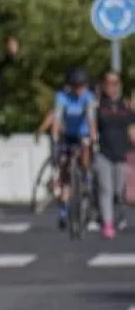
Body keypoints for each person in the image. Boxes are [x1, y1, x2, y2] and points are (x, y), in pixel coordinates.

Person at [51, 68, 98, 230]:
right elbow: (57, 117)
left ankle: (85, 175)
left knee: (85, 147)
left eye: (82, 86)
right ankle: (63, 210)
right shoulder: (62, 97)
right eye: (76, 86)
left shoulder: (88, 97)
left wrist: (93, 135)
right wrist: (55, 136)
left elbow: (91, 117)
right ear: (70, 86)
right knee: (64, 166)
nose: (79, 89)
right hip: (68, 134)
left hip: (83, 134)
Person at [94, 70, 132, 239]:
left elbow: (132, 130)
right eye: (108, 83)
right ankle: (107, 224)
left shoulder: (127, 107)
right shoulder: (98, 105)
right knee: (106, 189)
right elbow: (92, 125)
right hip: (104, 153)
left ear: (119, 85)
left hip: (122, 153)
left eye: (115, 83)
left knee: (118, 191)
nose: (111, 87)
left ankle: (114, 216)